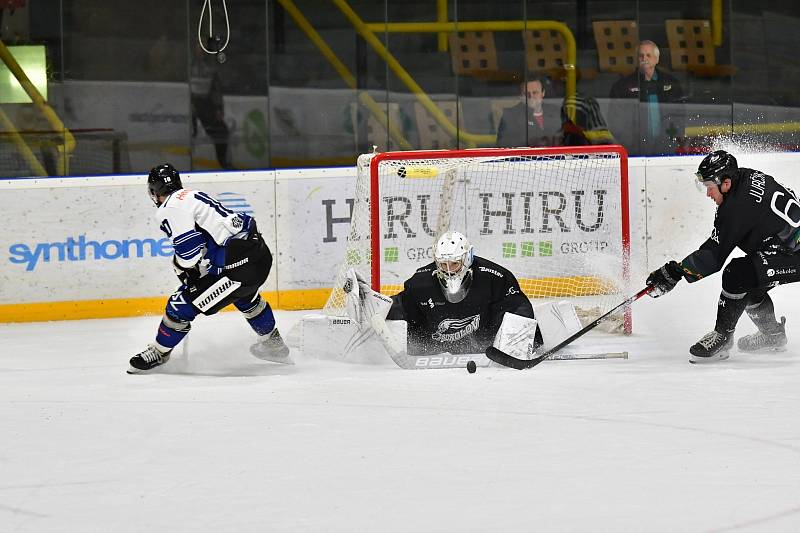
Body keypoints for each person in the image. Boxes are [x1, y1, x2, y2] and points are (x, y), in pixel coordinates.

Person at [128, 163, 290, 373]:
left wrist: (182, 267)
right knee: (244, 295)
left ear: (154, 192)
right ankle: (273, 344)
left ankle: (159, 352)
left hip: (236, 268)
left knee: (180, 305)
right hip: (258, 255)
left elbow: (189, 254)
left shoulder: (169, 208)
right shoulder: (192, 195)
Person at [646, 150, 796, 363]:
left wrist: (675, 272)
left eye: (709, 187)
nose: (708, 194)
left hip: (792, 254)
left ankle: (722, 339)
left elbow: (714, 256)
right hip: (786, 248)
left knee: (737, 274)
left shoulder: (736, 207)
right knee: (751, 280)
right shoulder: (744, 176)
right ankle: (773, 335)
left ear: (725, 183)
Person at [384, 231, 539, 356]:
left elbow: (518, 306)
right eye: (443, 264)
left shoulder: (495, 277)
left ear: (468, 257)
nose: (449, 270)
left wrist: (518, 346)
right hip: (438, 351)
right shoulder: (421, 281)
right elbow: (403, 306)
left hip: (490, 348)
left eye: (454, 264)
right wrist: (378, 306)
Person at [608, 40, 684, 154]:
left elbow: (680, 115)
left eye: (648, 55)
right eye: (641, 55)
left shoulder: (671, 84)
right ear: (636, 60)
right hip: (634, 150)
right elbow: (616, 120)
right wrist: (630, 143)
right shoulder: (622, 87)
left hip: (667, 147)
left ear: (657, 59)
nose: (644, 58)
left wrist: (672, 139)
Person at [191, 39, 232, 169]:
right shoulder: (188, 64)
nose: (200, 49)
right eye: (198, 46)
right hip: (192, 103)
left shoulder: (211, 66)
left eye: (203, 46)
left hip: (205, 104)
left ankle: (223, 163)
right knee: (193, 132)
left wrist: (218, 108)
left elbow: (216, 88)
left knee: (222, 133)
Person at [496, 77, 561, 148]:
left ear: (543, 93)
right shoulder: (510, 115)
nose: (531, 96)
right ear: (521, 96)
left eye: (535, 92)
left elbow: (570, 137)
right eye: (527, 93)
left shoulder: (557, 111)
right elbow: (503, 146)